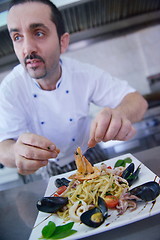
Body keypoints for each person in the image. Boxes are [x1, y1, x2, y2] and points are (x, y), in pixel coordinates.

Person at [0, 0, 148, 179]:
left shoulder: (83, 73)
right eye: (17, 37)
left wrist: (120, 114)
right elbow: (3, 148)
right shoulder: (10, 88)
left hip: (91, 155)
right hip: (48, 168)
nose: (27, 48)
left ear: (63, 42)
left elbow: (137, 101)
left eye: (39, 33)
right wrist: (16, 152)